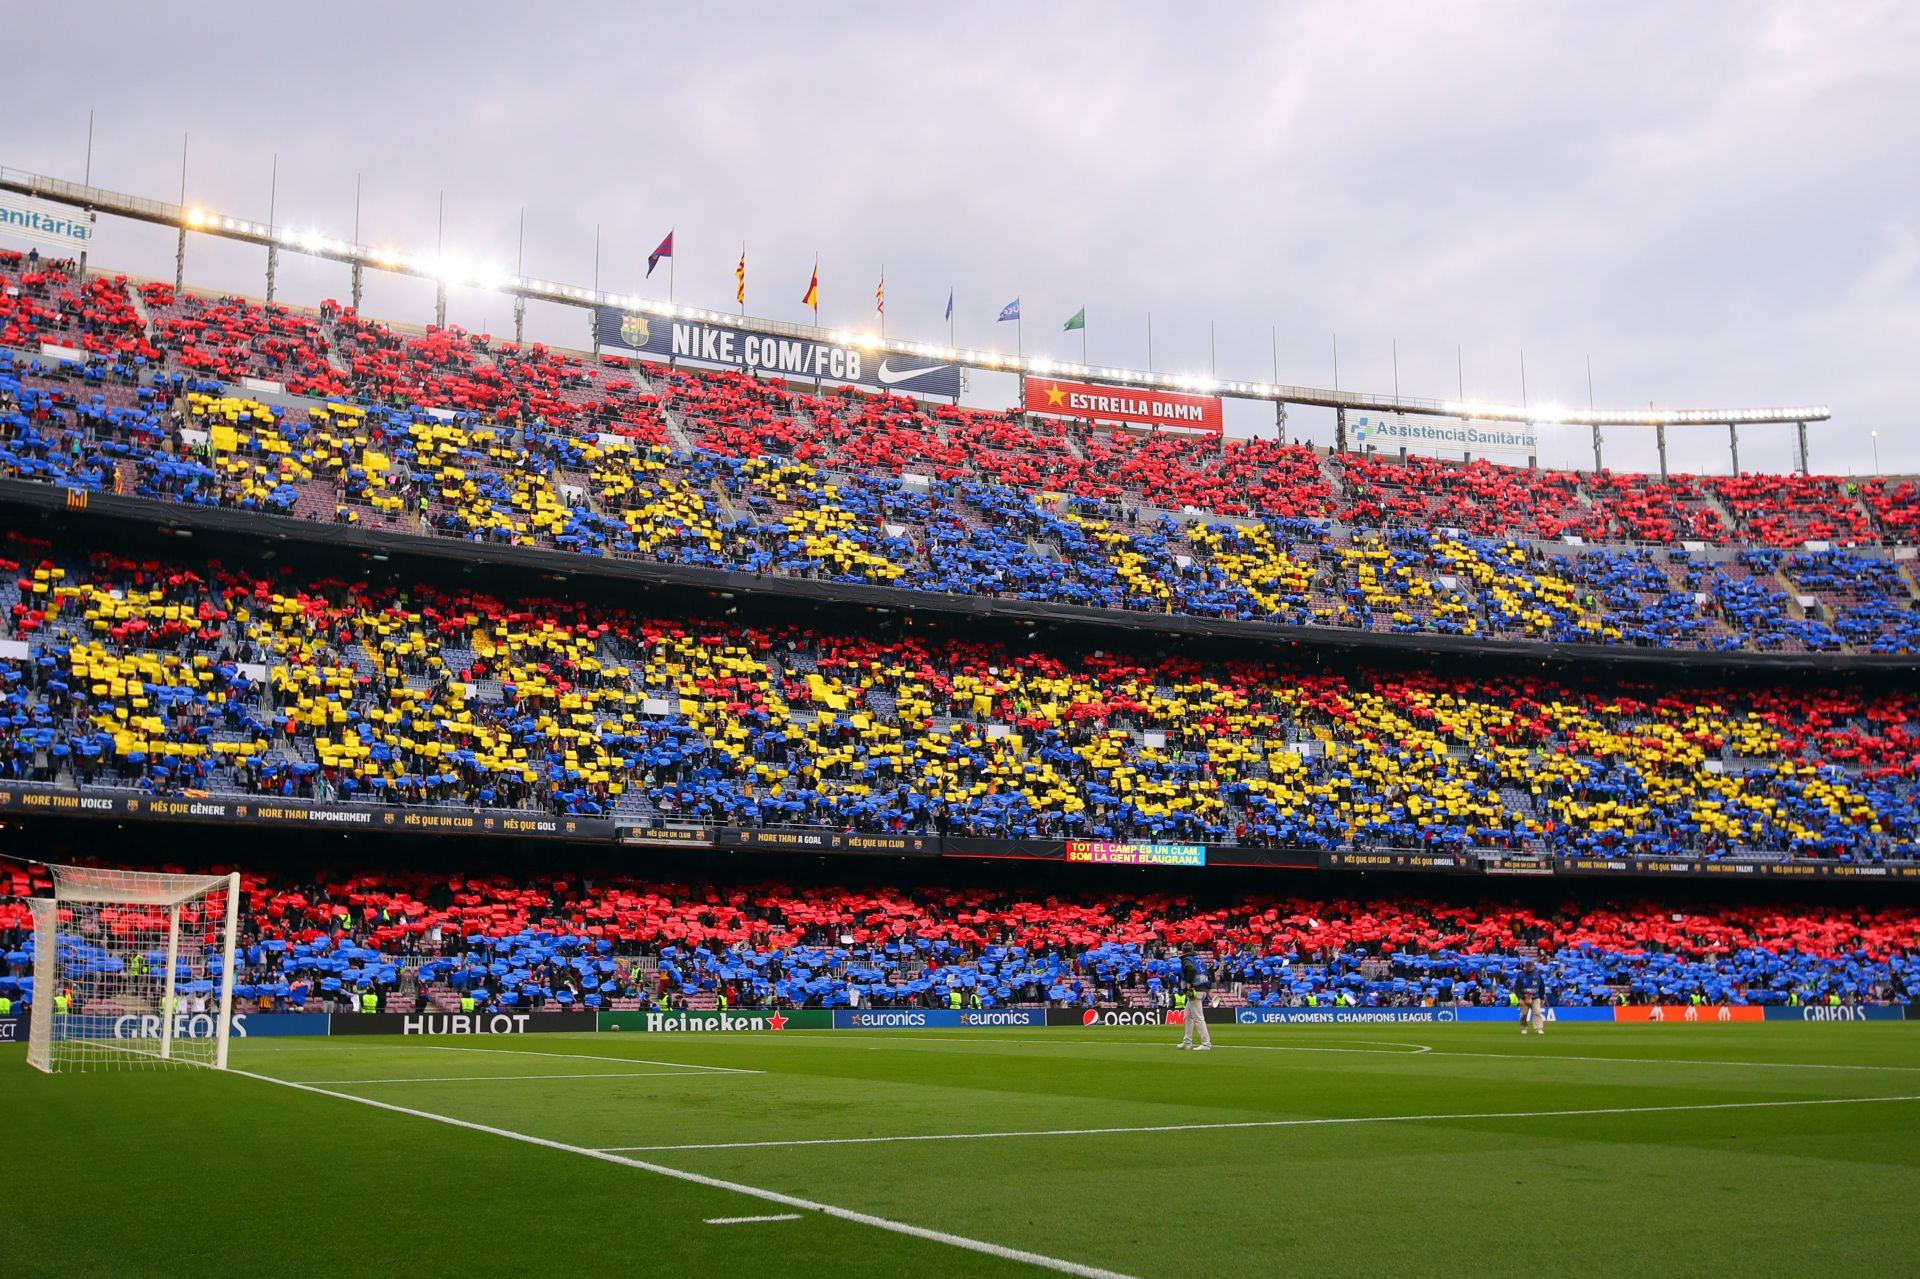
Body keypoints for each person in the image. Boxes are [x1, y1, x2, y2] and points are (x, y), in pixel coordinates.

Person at [1176, 943, 1212, 1052]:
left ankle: (1206, 1044)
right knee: (1188, 1016)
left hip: (1195, 991)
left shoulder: (1187, 961)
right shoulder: (1199, 960)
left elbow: (1190, 970)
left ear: (1183, 950)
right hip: (1202, 989)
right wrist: (1209, 989)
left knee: (1198, 1018)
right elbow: (1209, 973)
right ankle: (1187, 1042)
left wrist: (1188, 983)